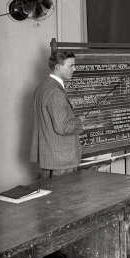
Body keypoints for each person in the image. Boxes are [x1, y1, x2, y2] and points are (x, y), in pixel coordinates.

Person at [31, 50, 85, 178]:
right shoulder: (55, 92)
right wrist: (79, 121)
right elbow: (63, 127)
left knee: (52, 195)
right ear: (58, 67)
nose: (74, 69)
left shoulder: (43, 87)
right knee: (65, 196)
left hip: (51, 156)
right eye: (71, 65)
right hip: (62, 159)